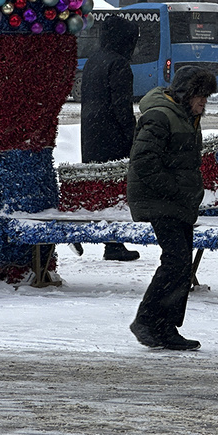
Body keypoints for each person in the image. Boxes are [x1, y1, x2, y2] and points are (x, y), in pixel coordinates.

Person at [127, 66, 218, 351]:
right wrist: (175, 190)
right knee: (176, 261)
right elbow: (143, 162)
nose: (203, 102)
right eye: (198, 96)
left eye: (206, 96)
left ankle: (165, 326)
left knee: (180, 265)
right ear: (183, 94)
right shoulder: (160, 116)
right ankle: (147, 320)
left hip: (177, 201)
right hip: (160, 200)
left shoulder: (187, 117)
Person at [79, 16, 141, 262]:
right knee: (116, 189)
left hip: (91, 132)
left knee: (99, 186)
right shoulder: (119, 64)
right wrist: (132, 135)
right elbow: (122, 106)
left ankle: (103, 238)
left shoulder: (94, 60)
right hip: (112, 135)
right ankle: (114, 244)